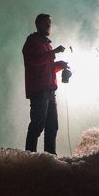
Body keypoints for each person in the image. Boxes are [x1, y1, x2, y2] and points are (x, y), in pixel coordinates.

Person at [22, 14, 69, 154]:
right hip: (39, 91)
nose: (48, 26)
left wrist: (60, 65)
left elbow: (47, 67)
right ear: (38, 24)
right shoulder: (32, 41)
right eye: (45, 23)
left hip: (50, 90)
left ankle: (50, 157)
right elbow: (34, 61)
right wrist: (54, 52)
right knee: (37, 125)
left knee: (52, 126)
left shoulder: (46, 44)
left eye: (49, 23)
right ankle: (29, 157)